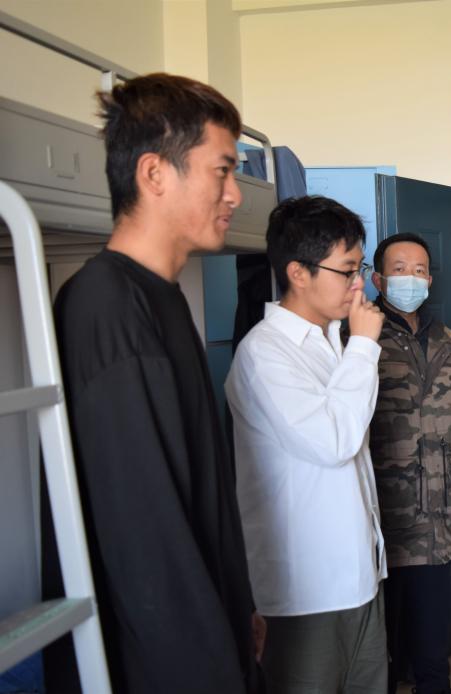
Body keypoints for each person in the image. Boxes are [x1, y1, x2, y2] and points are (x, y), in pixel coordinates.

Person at [49, 73, 263, 693]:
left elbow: (198, 488)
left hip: (208, 630)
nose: (234, 195)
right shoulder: (107, 306)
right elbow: (143, 533)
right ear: (154, 173)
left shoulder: (161, 297)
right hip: (169, 664)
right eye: (222, 171)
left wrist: (238, 607)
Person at [226, 196, 388, 693]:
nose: (359, 284)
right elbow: (334, 441)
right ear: (298, 272)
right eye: (347, 271)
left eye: (359, 269)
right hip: (306, 589)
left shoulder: (333, 341)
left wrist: (355, 346)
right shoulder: (264, 354)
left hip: (359, 575)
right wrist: (365, 346)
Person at [366, 233, 451, 694]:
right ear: (378, 279)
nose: (410, 278)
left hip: (437, 507)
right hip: (383, 508)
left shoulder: (447, 341)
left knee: (433, 621)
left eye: (419, 270)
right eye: (399, 269)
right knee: (382, 629)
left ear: (429, 280)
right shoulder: (360, 337)